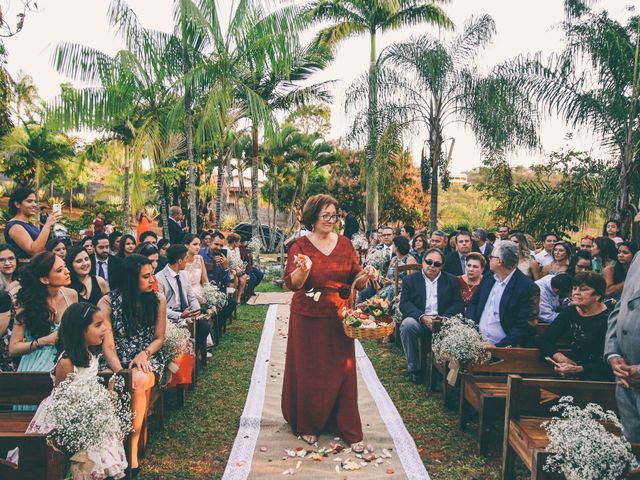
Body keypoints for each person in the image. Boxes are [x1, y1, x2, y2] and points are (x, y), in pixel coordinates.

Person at [282, 194, 378, 452]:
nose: (330, 220)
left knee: (343, 370)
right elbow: (294, 284)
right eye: (325, 215)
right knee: (309, 370)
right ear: (313, 216)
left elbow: (355, 276)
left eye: (334, 216)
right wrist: (304, 268)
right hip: (307, 317)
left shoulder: (345, 244)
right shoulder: (299, 246)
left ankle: (346, 426)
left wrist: (365, 275)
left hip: (339, 316)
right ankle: (308, 424)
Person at [25, 302, 128, 479]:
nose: (104, 329)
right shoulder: (67, 363)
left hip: (91, 413)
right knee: (81, 458)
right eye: (97, 325)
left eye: (103, 324)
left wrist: (107, 394)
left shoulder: (90, 354)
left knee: (101, 449)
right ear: (79, 330)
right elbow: (61, 399)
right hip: (69, 416)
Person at [99, 254, 167, 474]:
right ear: (130, 279)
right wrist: (120, 372)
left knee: (137, 382)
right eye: (145, 276)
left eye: (152, 275)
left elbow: (159, 338)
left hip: (147, 357)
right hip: (115, 358)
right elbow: (108, 346)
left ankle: (133, 452)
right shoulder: (108, 302)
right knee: (108, 381)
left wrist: (143, 354)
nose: (151, 280)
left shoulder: (158, 299)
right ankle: (109, 447)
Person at [9, 252, 78, 410]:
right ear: (44, 279)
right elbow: (13, 348)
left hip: (66, 359)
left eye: (65, 266)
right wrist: (44, 340)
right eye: (60, 270)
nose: (67, 271)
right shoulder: (26, 302)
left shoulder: (71, 296)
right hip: (36, 363)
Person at [399, 248, 464, 384]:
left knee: (459, 330)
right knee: (407, 325)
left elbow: (458, 304)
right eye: (429, 262)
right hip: (420, 320)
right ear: (423, 262)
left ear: (442, 266)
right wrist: (422, 317)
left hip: (443, 321)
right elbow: (404, 304)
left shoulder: (451, 280)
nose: (432, 266)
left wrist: (444, 318)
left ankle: (448, 373)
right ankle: (415, 370)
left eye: (437, 264)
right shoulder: (410, 280)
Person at [537, 272, 612, 381]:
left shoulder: (609, 318)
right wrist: (560, 357)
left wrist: (580, 369)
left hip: (600, 376)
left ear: (598, 295)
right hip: (572, 372)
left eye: (583, 289)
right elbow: (543, 340)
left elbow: (613, 357)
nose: (576, 293)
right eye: (574, 288)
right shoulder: (570, 312)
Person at [605, 214, 640, 441]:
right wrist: (614, 353)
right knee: (632, 444)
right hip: (626, 376)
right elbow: (619, 310)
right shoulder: (637, 259)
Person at [466, 241, 537, 347]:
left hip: (506, 350)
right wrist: (471, 330)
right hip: (477, 341)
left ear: (499, 261)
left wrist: (498, 347)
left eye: (491, 257)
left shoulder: (527, 287)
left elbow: (525, 325)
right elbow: (473, 303)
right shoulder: (490, 276)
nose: (489, 259)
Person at [156, 245, 211, 354]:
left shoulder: (185, 274)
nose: (188, 261)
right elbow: (160, 309)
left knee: (204, 326)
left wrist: (196, 311)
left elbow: (191, 297)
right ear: (180, 261)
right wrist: (180, 315)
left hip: (187, 312)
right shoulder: (159, 278)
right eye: (186, 258)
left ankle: (191, 353)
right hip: (172, 317)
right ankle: (185, 354)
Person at [4, 187, 62, 262]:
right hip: (24, 269)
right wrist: (47, 225)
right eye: (29, 201)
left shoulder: (29, 224)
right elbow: (34, 251)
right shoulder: (15, 226)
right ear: (17, 204)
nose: (34, 204)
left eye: (35, 201)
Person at [378, 236, 417, 301]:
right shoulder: (394, 259)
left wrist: (392, 282)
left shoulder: (409, 259)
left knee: (386, 294)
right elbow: (388, 276)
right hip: (389, 287)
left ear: (397, 247)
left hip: (401, 289)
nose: (392, 246)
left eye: (393, 244)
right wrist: (385, 280)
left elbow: (411, 281)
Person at [182, 233, 209, 304]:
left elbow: (205, 279)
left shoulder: (199, 258)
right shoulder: (181, 261)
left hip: (201, 291)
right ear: (186, 245)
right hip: (186, 295)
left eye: (199, 245)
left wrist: (209, 293)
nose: (198, 247)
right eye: (195, 244)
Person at [226, 232, 250, 302]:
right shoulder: (227, 250)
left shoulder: (237, 249)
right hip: (230, 270)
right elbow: (229, 262)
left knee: (243, 278)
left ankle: (238, 297)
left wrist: (241, 265)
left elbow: (239, 260)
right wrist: (236, 268)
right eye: (238, 242)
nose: (239, 243)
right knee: (240, 277)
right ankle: (235, 297)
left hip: (238, 269)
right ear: (234, 242)